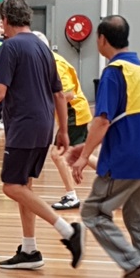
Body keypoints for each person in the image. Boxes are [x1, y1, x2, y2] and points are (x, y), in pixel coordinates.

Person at [0, 0, 85, 270]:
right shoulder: (43, 47)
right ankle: (30, 250)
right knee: (24, 186)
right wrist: (62, 130)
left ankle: (68, 232)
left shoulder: (9, 48)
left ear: (5, 21)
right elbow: (59, 94)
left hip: (24, 126)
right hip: (44, 125)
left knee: (11, 186)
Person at [67, 15, 140, 278]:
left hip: (127, 161)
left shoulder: (114, 72)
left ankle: (133, 265)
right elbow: (128, 120)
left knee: (93, 212)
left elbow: (103, 121)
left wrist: (82, 157)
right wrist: (85, 148)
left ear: (102, 39)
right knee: (139, 223)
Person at [33, 31, 97, 210]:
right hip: (72, 112)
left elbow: (68, 94)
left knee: (57, 154)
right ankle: (116, 177)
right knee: (78, 153)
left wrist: (43, 103)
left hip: (73, 111)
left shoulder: (57, 64)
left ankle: (71, 196)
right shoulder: (44, 62)